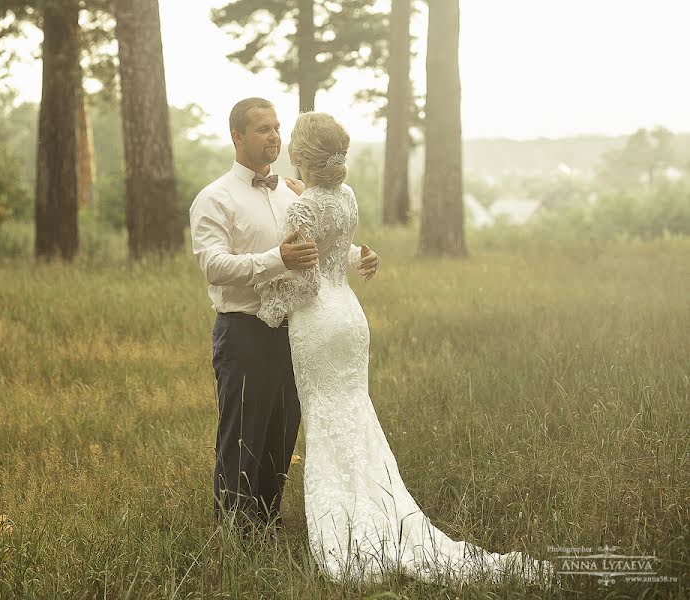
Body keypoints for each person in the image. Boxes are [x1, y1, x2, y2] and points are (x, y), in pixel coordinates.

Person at [253, 110, 550, 583]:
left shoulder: (302, 208)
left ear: (298, 154)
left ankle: (349, 534)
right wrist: (358, 255)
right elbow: (336, 252)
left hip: (318, 322)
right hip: (349, 317)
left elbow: (304, 284)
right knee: (353, 414)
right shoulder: (343, 196)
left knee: (328, 422)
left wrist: (265, 306)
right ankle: (381, 509)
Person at [188, 98, 380, 530]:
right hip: (244, 331)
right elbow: (214, 266)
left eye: (276, 128)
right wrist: (278, 259)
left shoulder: (293, 190)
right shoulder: (215, 198)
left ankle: (269, 523)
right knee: (243, 433)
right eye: (262, 129)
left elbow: (317, 247)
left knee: (282, 431)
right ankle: (234, 531)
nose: (274, 136)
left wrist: (355, 256)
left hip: (299, 330)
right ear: (237, 136)